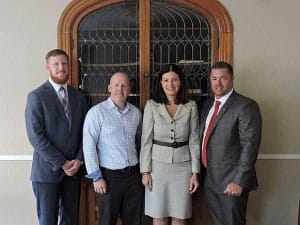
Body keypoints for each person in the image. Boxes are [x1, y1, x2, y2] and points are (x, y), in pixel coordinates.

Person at [25, 49, 87, 225]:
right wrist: (61, 162)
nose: (61, 68)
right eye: (56, 64)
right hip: (46, 173)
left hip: (73, 173)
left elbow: (86, 132)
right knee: (47, 221)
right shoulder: (36, 97)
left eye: (64, 64)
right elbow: (35, 135)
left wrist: (79, 160)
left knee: (70, 221)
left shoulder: (79, 97)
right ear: (48, 67)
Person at [199, 61, 262, 225]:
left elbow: (250, 146)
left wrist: (239, 181)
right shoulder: (207, 106)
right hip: (210, 180)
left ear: (232, 79)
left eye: (223, 78)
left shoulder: (245, 105)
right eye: (214, 78)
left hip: (232, 183)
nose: (218, 83)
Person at [140, 64, 200, 225]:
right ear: (160, 82)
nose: (170, 84)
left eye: (174, 79)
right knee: (158, 215)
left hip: (183, 167)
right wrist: (145, 171)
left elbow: (194, 140)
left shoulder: (191, 106)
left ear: (180, 82)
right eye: (166, 80)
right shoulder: (151, 105)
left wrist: (195, 172)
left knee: (179, 216)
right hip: (157, 168)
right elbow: (146, 140)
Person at [83, 72, 143, 225]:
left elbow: (139, 143)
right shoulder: (96, 113)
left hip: (133, 177)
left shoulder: (136, 114)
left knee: (134, 221)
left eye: (124, 85)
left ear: (129, 89)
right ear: (109, 88)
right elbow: (88, 146)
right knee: (107, 221)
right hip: (108, 178)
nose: (120, 89)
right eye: (116, 85)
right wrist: (96, 177)